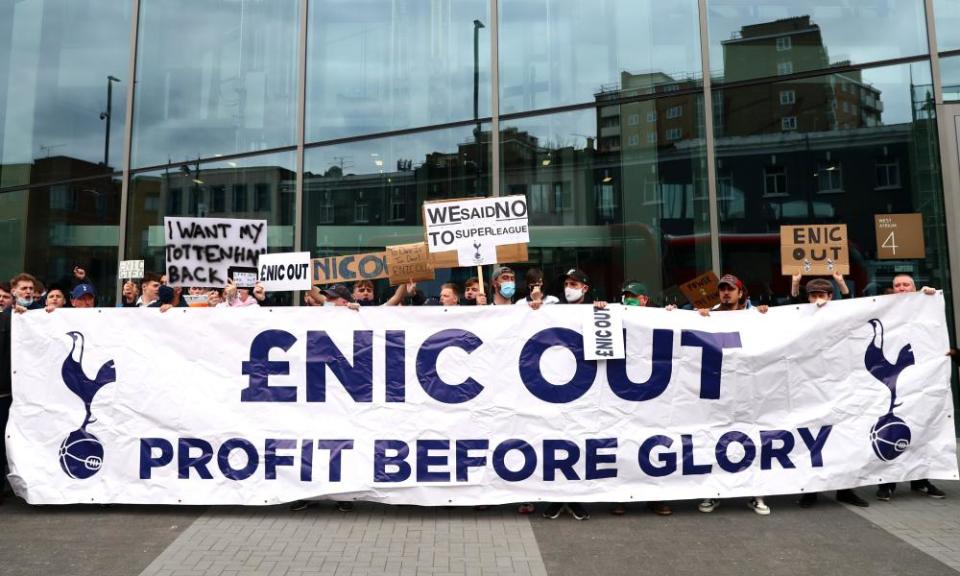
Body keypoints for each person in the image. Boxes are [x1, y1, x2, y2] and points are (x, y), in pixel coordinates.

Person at [694, 274, 770, 516]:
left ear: (740, 292)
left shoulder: (755, 315)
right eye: (722, 289)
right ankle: (712, 492)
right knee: (713, 437)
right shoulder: (709, 314)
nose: (726, 293)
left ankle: (757, 494)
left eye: (730, 289)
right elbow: (673, 319)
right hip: (719, 389)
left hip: (748, 388)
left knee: (752, 436)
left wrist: (765, 314)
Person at [793, 277, 869, 509]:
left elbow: (852, 308)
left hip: (837, 384)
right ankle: (811, 491)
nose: (817, 300)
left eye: (822, 295)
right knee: (811, 438)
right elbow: (789, 307)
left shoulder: (839, 314)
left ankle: (845, 489)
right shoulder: (799, 315)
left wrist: (842, 284)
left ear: (830, 297)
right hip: (809, 385)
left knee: (842, 435)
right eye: (813, 295)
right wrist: (796, 286)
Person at [876, 273, 945, 501]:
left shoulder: (925, 304)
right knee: (893, 430)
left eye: (906, 284)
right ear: (892, 289)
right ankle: (888, 484)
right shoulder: (883, 308)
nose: (902, 288)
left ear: (914, 287)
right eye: (897, 285)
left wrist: (930, 295)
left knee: (921, 428)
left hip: (922, 380)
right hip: (896, 382)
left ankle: (921, 480)